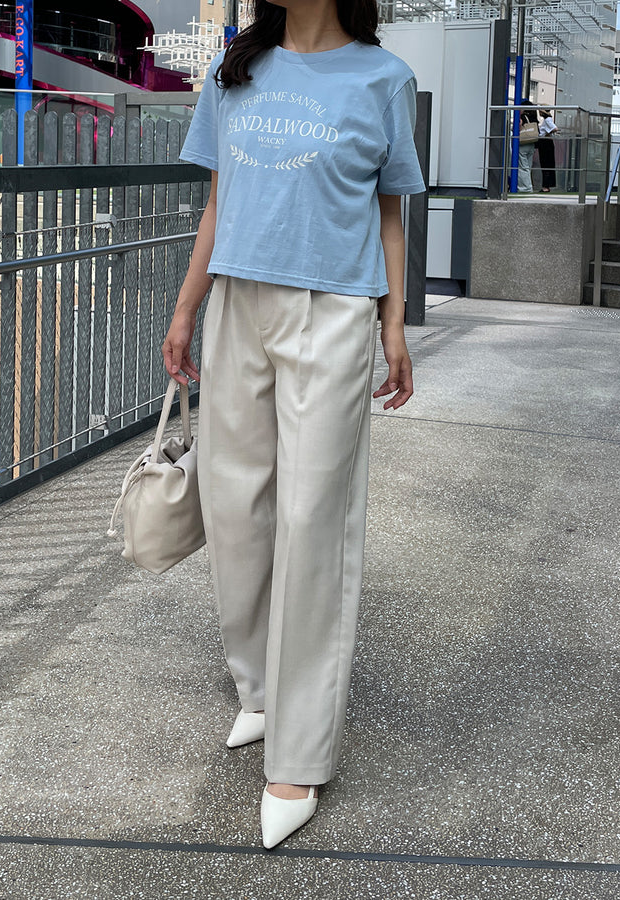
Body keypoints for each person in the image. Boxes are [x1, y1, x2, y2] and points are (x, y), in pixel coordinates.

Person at [162, 0, 425, 849]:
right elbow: (218, 203)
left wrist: (393, 325)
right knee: (234, 506)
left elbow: (390, 211)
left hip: (334, 307)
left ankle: (301, 752)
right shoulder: (234, 70)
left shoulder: (384, 78)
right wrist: (187, 307)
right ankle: (260, 689)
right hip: (238, 298)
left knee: (313, 519)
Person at [517, 100, 538, 192]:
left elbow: (518, 126)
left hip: (523, 144)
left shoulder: (523, 117)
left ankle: (525, 188)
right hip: (532, 143)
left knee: (522, 167)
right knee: (528, 167)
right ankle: (529, 186)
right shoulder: (534, 117)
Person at [538, 108, 559, 192]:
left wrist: (547, 133)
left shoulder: (547, 120)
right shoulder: (547, 120)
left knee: (545, 163)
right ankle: (547, 185)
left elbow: (555, 128)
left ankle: (546, 186)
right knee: (548, 163)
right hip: (546, 142)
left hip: (545, 143)